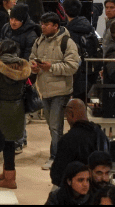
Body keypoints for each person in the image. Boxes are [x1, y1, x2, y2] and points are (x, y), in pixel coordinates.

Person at [29, 12, 81, 171]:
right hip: (44, 90)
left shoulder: (67, 42)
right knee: (52, 125)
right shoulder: (39, 41)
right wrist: (35, 67)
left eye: (46, 24)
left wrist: (51, 67)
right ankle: (60, 154)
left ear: (56, 26)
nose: (42, 27)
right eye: (42, 24)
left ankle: (56, 157)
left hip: (61, 90)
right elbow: (32, 58)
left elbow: (73, 66)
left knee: (55, 126)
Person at [0, 40, 31, 189]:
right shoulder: (22, 66)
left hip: (0, 110)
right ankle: (8, 174)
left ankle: (10, 180)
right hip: (17, 109)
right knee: (10, 144)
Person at [50, 99, 109, 186]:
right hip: (99, 191)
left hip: (77, 194)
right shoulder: (101, 135)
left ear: (70, 113)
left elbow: (57, 176)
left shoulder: (68, 140)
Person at [63, 0, 101, 101]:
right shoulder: (89, 27)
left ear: (64, 10)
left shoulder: (68, 31)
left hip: (76, 71)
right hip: (90, 69)